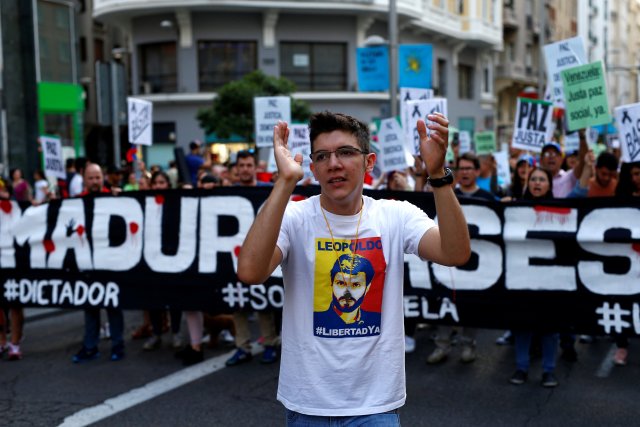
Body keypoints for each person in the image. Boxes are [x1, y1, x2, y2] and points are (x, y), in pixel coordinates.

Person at [237, 111, 470, 422]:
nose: (334, 163)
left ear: (369, 162)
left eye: (346, 152)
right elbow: (250, 272)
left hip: (376, 407)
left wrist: (438, 174)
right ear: (313, 168)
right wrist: (285, 182)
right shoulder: (293, 217)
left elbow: (455, 253)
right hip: (308, 405)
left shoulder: (395, 215)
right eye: (322, 156)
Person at [226, 149, 279, 367]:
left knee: (262, 301)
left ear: (255, 168)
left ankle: (269, 344)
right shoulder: (227, 193)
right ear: (236, 169)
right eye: (242, 166)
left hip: (260, 254)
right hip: (234, 254)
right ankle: (242, 346)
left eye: (249, 165)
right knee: (236, 303)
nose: (246, 169)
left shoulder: (268, 191)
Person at [509, 166, 559, 388]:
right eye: (534, 179)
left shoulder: (561, 210)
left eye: (542, 179)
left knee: (549, 327)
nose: (537, 183)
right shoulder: (515, 208)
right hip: (522, 277)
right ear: (527, 184)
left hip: (550, 279)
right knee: (523, 325)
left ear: (549, 185)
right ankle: (522, 367)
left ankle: (549, 371)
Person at [72, 163, 125, 363]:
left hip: (110, 260)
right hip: (87, 261)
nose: (95, 181)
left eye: (98, 177)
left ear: (103, 177)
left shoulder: (114, 198)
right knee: (90, 305)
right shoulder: (77, 202)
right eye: (91, 178)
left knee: (113, 304)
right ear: (84, 179)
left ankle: (118, 345)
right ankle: (90, 346)